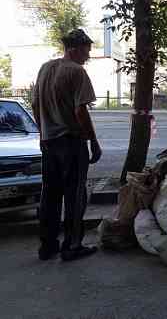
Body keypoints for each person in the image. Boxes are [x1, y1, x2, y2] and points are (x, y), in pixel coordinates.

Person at [32, 29, 102, 261]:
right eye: (86, 50)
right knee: (75, 195)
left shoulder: (45, 68)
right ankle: (72, 246)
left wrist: (43, 134)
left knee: (50, 194)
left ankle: (48, 245)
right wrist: (92, 140)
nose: (88, 55)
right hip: (71, 142)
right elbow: (80, 110)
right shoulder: (76, 71)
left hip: (49, 142)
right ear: (74, 48)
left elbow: (35, 105)